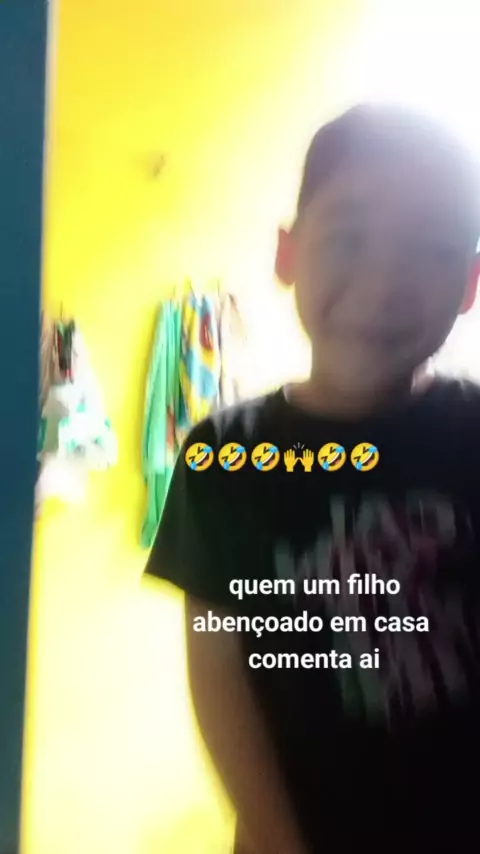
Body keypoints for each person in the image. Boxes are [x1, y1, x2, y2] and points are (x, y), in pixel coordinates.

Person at [144, 104, 480, 853]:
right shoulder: (226, 456)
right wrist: (276, 838)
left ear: (469, 283)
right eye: (350, 238)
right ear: (288, 254)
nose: (385, 284)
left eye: (430, 251)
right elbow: (220, 670)